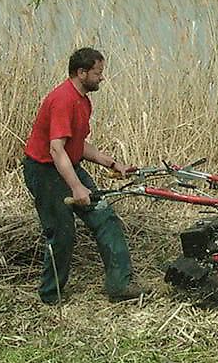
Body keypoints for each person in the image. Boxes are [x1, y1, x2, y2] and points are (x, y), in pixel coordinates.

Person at [23, 47, 143, 305]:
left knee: (105, 218)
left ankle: (120, 285)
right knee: (62, 232)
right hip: (45, 171)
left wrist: (112, 163)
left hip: (67, 165)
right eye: (98, 73)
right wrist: (77, 187)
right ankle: (50, 296)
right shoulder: (63, 100)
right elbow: (56, 149)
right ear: (81, 72)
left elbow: (77, 144)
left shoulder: (83, 101)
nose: (102, 78)